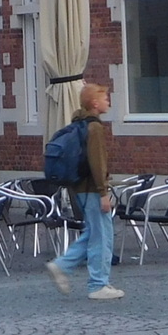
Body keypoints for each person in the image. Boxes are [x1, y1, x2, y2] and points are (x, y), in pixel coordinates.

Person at [45, 82, 124, 299]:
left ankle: (62, 265)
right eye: (105, 98)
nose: (108, 102)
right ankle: (98, 285)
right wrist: (103, 192)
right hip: (92, 189)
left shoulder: (79, 124)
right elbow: (97, 163)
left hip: (80, 188)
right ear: (95, 103)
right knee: (102, 237)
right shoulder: (95, 128)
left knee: (93, 233)